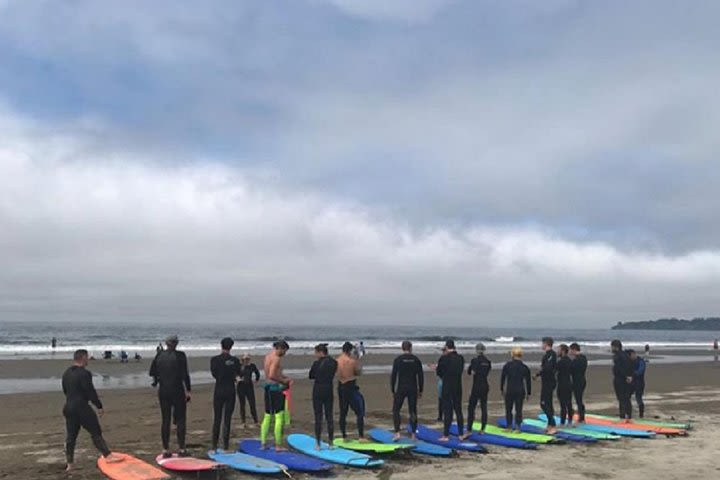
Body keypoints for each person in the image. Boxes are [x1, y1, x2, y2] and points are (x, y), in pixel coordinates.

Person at [62, 349, 122, 472]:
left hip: (68, 407)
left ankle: (70, 464)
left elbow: (65, 390)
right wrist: (99, 406)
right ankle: (108, 456)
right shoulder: (85, 373)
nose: (88, 359)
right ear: (83, 358)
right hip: (81, 407)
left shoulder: (66, 373)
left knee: (71, 437)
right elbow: (90, 392)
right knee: (95, 431)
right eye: (87, 357)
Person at [149, 335, 192, 458]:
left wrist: (158, 378)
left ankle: (165, 449)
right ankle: (182, 449)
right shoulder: (180, 355)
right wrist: (188, 390)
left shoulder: (159, 355)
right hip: (177, 390)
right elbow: (185, 375)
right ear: (176, 344)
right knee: (180, 419)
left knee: (165, 420)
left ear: (166, 343)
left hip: (163, 390)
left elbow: (152, 372)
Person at [210, 337, 241, 452]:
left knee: (217, 418)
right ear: (231, 346)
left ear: (221, 345)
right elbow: (239, 374)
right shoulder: (235, 360)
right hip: (230, 390)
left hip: (219, 389)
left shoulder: (214, 360)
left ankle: (214, 446)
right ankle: (226, 446)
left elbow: (214, 374)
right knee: (227, 419)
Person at [262, 340, 292, 450]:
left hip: (268, 389)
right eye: (284, 351)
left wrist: (284, 377)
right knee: (279, 417)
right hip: (275, 389)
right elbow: (272, 375)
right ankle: (278, 445)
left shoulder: (268, 357)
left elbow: (274, 373)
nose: (284, 353)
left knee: (267, 416)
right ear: (280, 348)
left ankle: (263, 443)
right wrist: (283, 382)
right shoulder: (276, 358)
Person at [391, 341, 424, 440]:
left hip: (401, 387)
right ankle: (413, 434)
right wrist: (421, 389)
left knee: (396, 410)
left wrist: (392, 389)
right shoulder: (416, 360)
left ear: (402, 348)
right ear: (411, 348)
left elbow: (394, 376)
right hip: (412, 388)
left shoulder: (398, 360)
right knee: (412, 411)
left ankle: (397, 433)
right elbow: (421, 376)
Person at [309, 343, 337, 449]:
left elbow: (311, 375)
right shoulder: (334, 362)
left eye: (316, 352)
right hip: (328, 389)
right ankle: (331, 442)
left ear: (321, 352)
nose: (315, 354)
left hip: (318, 389)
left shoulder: (316, 363)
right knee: (329, 416)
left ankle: (318, 443)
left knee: (318, 416)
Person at [436, 339, 464, 441]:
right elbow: (460, 371)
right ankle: (461, 434)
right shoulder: (460, 358)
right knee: (458, 410)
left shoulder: (443, 358)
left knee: (448, 411)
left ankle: (446, 435)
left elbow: (439, 373)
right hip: (457, 385)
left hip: (447, 386)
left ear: (447, 347)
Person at [337, 341, 365, 440]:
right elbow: (358, 372)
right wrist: (357, 359)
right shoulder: (351, 361)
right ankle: (361, 436)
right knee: (360, 411)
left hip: (341, 386)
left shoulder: (338, 360)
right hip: (350, 386)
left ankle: (344, 435)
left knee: (343, 412)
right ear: (349, 351)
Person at [463, 342, 491, 438]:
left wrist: (472, 368)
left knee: (471, 407)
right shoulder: (488, 361)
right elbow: (487, 372)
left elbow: (471, 372)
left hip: (477, 386)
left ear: (476, 350)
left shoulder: (475, 360)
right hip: (485, 385)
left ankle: (469, 429)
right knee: (484, 407)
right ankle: (483, 429)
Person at [500, 347, 531, 431]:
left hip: (510, 389)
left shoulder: (507, 365)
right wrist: (528, 393)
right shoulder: (525, 367)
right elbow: (528, 381)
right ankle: (518, 427)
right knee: (519, 409)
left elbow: (503, 378)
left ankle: (509, 426)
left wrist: (501, 389)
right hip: (520, 390)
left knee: (508, 409)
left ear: (512, 355)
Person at [535, 337, 557, 434]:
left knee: (544, 404)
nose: (541, 345)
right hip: (546, 381)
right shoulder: (547, 355)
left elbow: (548, 368)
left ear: (546, 344)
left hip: (549, 382)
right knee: (548, 403)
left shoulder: (551, 354)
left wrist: (538, 373)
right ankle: (550, 424)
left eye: (542, 343)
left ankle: (553, 425)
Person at [610, 339, 633, 421]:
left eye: (612, 347)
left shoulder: (618, 356)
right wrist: (630, 376)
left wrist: (625, 376)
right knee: (626, 398)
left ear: (616, 347)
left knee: (621, 398)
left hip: (620, 379)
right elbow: (630, 365)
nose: (611, 349)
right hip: (626, 379)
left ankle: (622, 416)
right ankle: (628, 415)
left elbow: (619, 369)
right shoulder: (626, 355)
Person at [237, 353, 260, 427]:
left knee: (252, 404)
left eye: (248, 359)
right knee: (242, 405)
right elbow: (234, 374)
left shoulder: (252, 366)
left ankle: (256, 421)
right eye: (245, 359)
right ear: (242, 359)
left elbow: (257, 373)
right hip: (241, 386)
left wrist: (256, 380)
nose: (246, 360)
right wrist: (237, 379)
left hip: (249, 386)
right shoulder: (240, 366)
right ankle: (243, 422)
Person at [556, 344, 574, 426]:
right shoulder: (570, 361)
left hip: (562, 384)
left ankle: (563, 422)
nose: (557, 351)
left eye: (559, 350)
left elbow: (554, 370)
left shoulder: (560, 362)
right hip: (569, 383)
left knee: (563, 404)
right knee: (569, 403)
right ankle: (570, 421)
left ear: (563, 351)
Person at [569, 343, 587, 423]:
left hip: (577, 381)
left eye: (571, 350)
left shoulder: (577, 359)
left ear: (574, 349)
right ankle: (581, 416)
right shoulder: (584, 358)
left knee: (578, 399)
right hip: (582, 380)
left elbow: (572, 369)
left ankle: (581, 417)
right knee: (579, 399)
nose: (570, 352)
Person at [628, 349, 647, 418]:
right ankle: (628, 413)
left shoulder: (641, 361)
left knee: (638, 398)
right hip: (631, 383)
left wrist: (632, 374)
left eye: (630, 356)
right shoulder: (630, 362)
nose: (630, 358)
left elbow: (640, 371)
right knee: (627, 397)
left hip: (639, 383)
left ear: (633, 354)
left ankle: (641, 415)